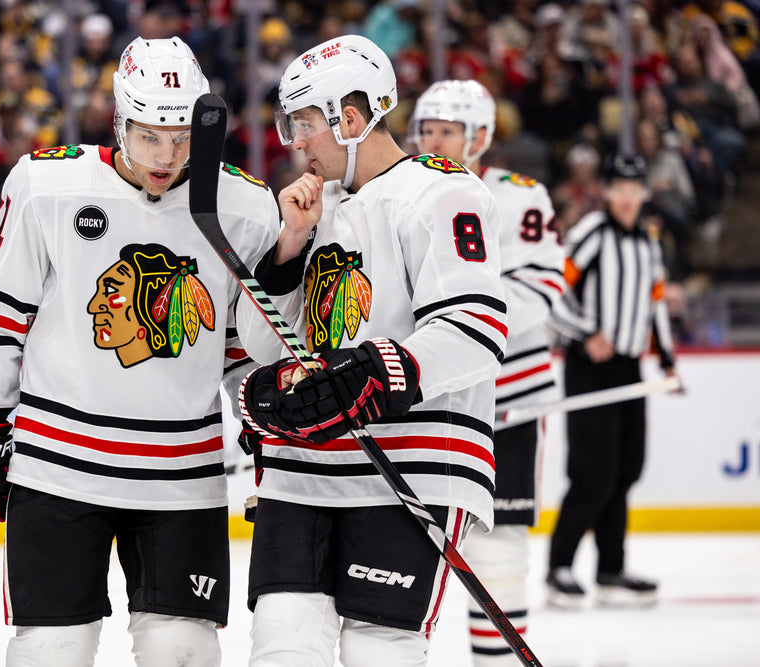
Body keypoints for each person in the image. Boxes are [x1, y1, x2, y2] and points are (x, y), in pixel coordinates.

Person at [0, 36, 280, 667]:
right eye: (150, 136)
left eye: (181, 138)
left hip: (182, 476)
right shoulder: (48, 184)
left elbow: (240, 348)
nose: (167, 156)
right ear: (120, 120)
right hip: (57, 469)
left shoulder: (246, 209)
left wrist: (263, 422)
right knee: (52, 651)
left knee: (183, 650)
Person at [234, 35, 508, 666]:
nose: (295, 142)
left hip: (408, 467)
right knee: (282, 644)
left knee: (379, 651)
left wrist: (378, 370)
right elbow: (260, 345)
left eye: (303, 124)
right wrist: (285, 251)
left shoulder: (442, 192)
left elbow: (474, 329)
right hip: (305, 470)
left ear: (349, 119)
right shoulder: (310, 207)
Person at [410, 79, 565, 665]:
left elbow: (543, 287)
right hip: (434, 402)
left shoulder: (521, 198)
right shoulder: (407, 191)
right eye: (427, 128)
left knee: (499, 549)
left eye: (447, 130)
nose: (434, 140)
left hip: (510, 402)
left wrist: (464, 326)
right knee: (407, 543)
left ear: (480, 135)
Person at [547, 154, 680, 609]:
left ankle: (610, 570)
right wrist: (586, 331)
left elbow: (656, 301)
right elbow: (555, 287)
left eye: (634, 189)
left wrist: (666, 360)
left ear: (644, 193)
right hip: (590, 366)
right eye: (618, 188)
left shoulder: (648, 240)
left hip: (628, 369)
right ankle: (558, 567)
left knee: (625, 471)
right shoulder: (591, 233)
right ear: (606, 191)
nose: (627, 198)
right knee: (592, 473)